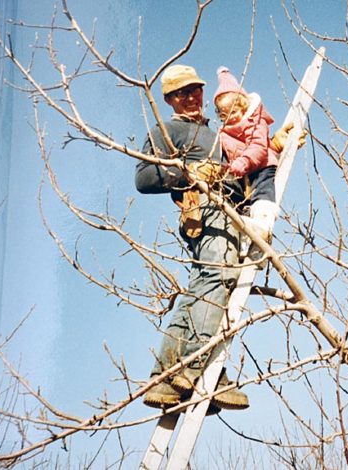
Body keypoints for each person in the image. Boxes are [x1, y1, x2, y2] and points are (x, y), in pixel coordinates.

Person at [135, 64, 297, 410]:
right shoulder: (170, 130)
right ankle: (193, 367)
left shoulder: (218, 131)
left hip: (236, 212)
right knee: (217, 277)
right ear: (169, 100)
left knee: (208, 284)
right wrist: (186, 171)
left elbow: (249, 157)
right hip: (206, 209)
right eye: (182, 93)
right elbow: (144, 177)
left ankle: (179, 375)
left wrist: (277, 144)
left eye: (195, 89)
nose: (191, 97)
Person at [213, 66, 280, 248]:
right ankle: (251, 241)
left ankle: (264, 223)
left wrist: (243, 162)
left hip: (261, 165)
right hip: (242, 174)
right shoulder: (223, 133)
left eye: (234, 112)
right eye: (225, 115)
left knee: (262, 192)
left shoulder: (255, 121)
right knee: (245, 204)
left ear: (243, 107)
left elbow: (258, 146)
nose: (231, 119)